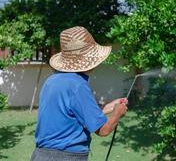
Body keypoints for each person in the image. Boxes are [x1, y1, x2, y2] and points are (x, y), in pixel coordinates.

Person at [30, 26, 128, 161]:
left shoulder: (51, 81)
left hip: (40, 155)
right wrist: (118, 113)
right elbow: (103, 130)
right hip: (65, 157)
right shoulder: (78, 85)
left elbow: (72, 113)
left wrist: (108, 107)